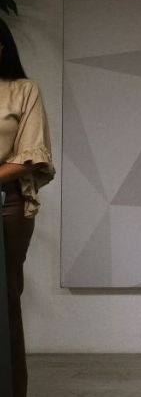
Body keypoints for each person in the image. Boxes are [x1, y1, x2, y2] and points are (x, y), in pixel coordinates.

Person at [0, 21, 55, 397]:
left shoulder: (23, 90)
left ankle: (11, 388)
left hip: (8, 205)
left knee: (5, 303)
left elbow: (32, 158)